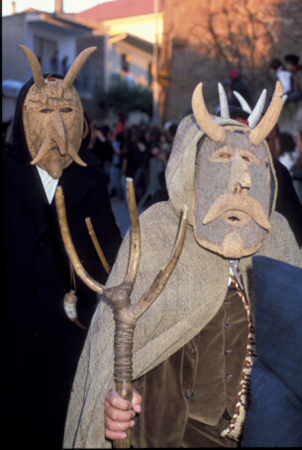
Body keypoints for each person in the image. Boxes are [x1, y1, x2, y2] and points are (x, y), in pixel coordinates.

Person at [63, 81, 302, 448]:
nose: (239, 181)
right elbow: (117, 356)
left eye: (251, 162)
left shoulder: (280, 241)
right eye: (223, 160)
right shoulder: (158, 236)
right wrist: (115, 402)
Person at [3, 45, 122, 448]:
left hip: (67, 349)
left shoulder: (92, 182)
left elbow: (111, 261)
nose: (56, 122)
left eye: (67, 112)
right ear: (23, 118)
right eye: (43, 111)